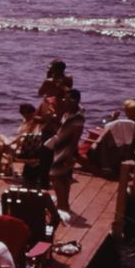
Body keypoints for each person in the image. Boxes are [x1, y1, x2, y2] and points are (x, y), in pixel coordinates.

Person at [49, 88, 85, 216]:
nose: (64, 101)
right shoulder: (67, 114)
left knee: (56, 176)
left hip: (67, 149)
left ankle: (62, 203)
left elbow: (76, 136)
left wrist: (71, 154)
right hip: (60, 147)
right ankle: (64, 203)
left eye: (67, 98)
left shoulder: (78, 117)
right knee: (63, 176)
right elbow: (61, 129)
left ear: (74, 100)